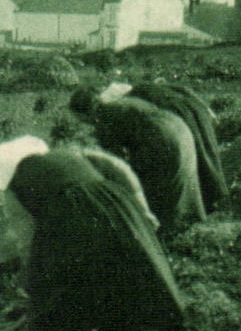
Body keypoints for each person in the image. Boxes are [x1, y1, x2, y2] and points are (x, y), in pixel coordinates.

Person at [0, 137, 184, 331]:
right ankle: (146, 329)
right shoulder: (71, 155)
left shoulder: (15, 189)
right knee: (123, 266)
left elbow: (27, 241)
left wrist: (31, 276)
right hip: (114, 205)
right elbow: (120, 170)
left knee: (61, 286)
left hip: (73, 219)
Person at [68, 85, 206, 232]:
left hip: (160, 136)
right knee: (179, 182)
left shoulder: (103, 117)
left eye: (81, 119)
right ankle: (187, 228)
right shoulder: (120, 103)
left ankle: (163, 232)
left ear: (85, 112)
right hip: (180, 128)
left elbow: (116, 162)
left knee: (154, 186)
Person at [121, 82, 227, 215]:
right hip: (194, 110)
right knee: (204, 154)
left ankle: (209, 199)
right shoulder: (161, 87)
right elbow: (187, 91)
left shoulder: (134, 96)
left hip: (178, 114)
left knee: (196, 155)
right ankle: (214, 197)